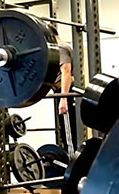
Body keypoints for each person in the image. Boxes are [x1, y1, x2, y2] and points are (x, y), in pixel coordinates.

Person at [48, 24, 77, 152]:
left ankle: (72, 164)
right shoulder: (63, 47)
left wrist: (63, 98)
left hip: (64, 92)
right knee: (66, 131)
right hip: (61, 91)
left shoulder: (60, 48)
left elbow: (66, 72)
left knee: (68, 132)